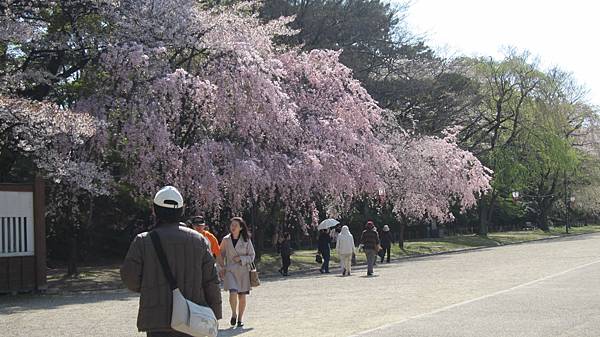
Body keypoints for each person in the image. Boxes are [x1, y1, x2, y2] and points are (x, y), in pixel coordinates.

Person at [120, 186, 222, 337]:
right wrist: (214, 314)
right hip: (191, 316)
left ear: (155, 210)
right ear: (181, 210)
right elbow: (211, 280)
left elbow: (130, 277)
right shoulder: (198, 240)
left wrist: (150, 287)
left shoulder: (143, 241)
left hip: (156, 317)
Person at [219, 217, 255, 328]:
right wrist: (221, 267)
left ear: (240, 228)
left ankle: (240, 319)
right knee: (232, 292)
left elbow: (252, 256)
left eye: (236, 225)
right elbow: (220, 254)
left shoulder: (246, 240)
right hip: (230, 270)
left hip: (243, 271)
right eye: (232, 225)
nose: (233, 227)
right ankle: (234, 313)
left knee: (242, 296)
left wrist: (241, 259)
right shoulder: (226, 240)